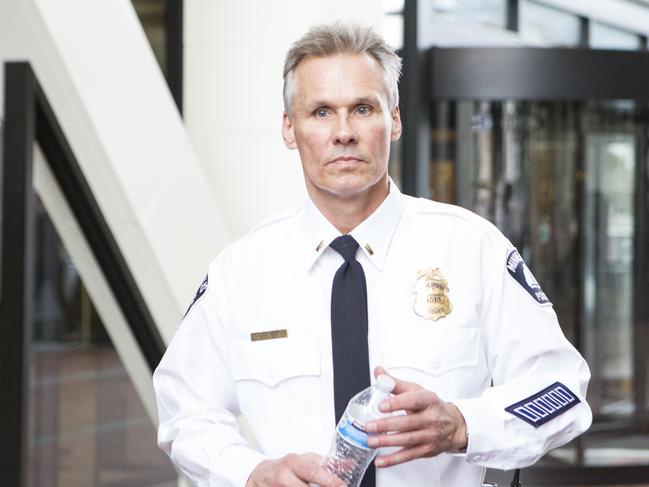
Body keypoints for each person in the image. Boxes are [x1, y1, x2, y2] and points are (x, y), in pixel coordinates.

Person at [153, 22, 592, 487]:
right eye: (320, 112)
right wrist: (254, 474)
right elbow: (185, 412)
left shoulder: (472, 249)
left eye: (362, 108)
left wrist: (464, 424)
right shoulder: (240, 272)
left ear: (395, 120)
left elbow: (562, 387)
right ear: (289, 128)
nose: (343, 133)